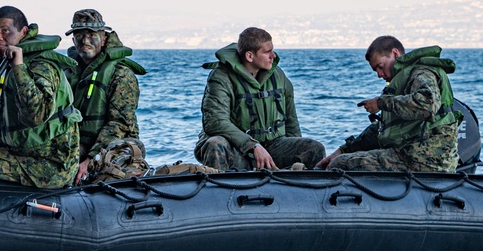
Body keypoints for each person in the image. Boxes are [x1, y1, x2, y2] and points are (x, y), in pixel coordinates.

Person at [0, 6, 82, 188]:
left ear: (23, 32)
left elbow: (37, 115)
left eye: (5, 31)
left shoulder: (41, 65)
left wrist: (19, 67)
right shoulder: (4, 66)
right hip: (23, 154)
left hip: (51, 166)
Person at [317, 36, 461, 173]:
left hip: (424, 159)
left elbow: (428, 105)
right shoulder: (402, 82)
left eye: (380, 66)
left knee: (341, 164)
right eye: (376, 70)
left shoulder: (422, 72)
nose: (379, 74)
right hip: (411, 155)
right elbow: (382, 130)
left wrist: (380, 103)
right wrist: (342, 150)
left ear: (395, 53)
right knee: (340, 159)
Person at [194, 27, 325, 171]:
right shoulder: (220, 77)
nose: (273, 56)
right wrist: (252, 146)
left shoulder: (278, 76)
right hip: (235, 148)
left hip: (271, 147)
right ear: (250, 56)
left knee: (313, 148)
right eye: (267, 52)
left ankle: (293, 187)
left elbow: (291, 120)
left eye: (272, 50)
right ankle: (218, 190)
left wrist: (296, 146)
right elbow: (215, 123)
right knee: (215, 144)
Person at [65, 8, 146, 184]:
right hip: (78, 142)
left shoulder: (121, 74)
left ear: (104, 37)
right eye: (79, 35)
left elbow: (120, 124)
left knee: (110, 164)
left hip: (115, 144)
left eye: (92, 35)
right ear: (73, 40)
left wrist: (90, 159)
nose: (85, 41)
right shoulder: (67, 72)